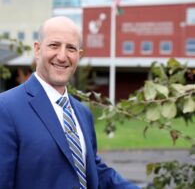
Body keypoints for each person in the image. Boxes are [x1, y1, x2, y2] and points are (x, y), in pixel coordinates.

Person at [0, 16, 140, 189]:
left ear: (79, 55)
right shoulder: (6, 108)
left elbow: (94, 170)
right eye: (54, 45)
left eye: (71, 48)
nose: (62, 56)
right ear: (37, 50)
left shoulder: (82, 112)